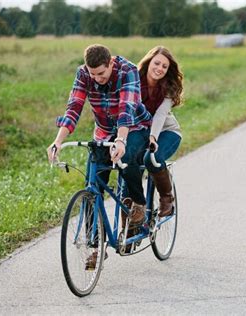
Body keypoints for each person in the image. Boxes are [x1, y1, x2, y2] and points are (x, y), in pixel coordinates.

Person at [47, 43, 152, 232]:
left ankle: (139, 203)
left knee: (126, 158)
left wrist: (120, 140)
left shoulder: (128, 70)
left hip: (134, 127)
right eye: (92, 74)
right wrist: (58, 141)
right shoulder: (83, 74)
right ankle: (93, 246)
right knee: (91, 185)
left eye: (101, 74)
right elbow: (74, 108)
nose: (96, 79)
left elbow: (126, 109)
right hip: (103, 131)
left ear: (110, 62)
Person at [123, 46, 183, 218]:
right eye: (157, 63)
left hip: (166, 131)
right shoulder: (134, 80)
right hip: (141, 130)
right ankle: (130, 227)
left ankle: (166, 197)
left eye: (164, 66)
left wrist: (153, 137)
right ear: (149, 62)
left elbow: (160, 115)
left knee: (152, 159)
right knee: (128, 163)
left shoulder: (169, 87)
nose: (159, 69)